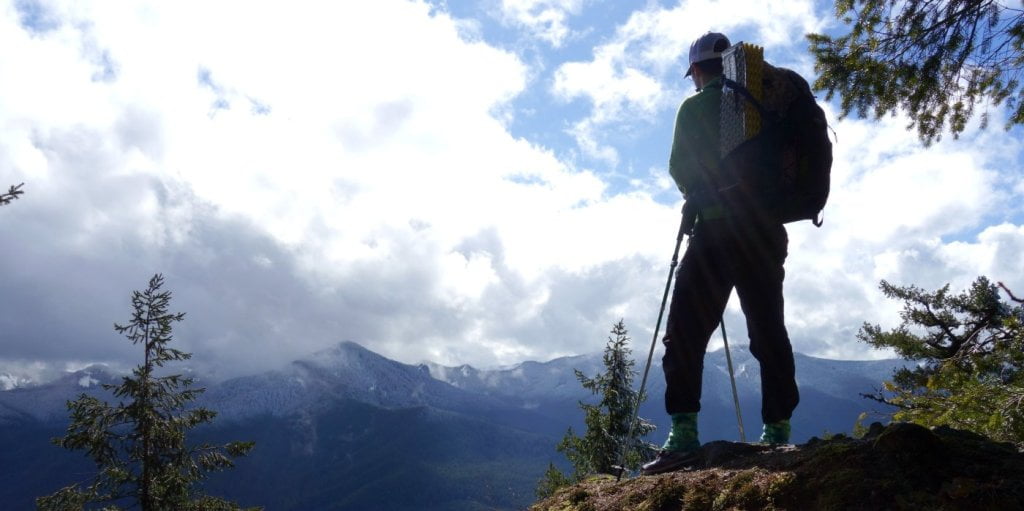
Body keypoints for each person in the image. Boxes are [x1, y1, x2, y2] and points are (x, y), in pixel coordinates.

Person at [641, 31, 800, 476]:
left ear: (696, 70)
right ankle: (778, 431)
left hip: (714, 230)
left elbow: (681, 167)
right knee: (768, 328)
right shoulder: (767, 107)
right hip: (765, 234)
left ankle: (684, 435)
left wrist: (704, 194)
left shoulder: (695, 107)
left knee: (686, 333)